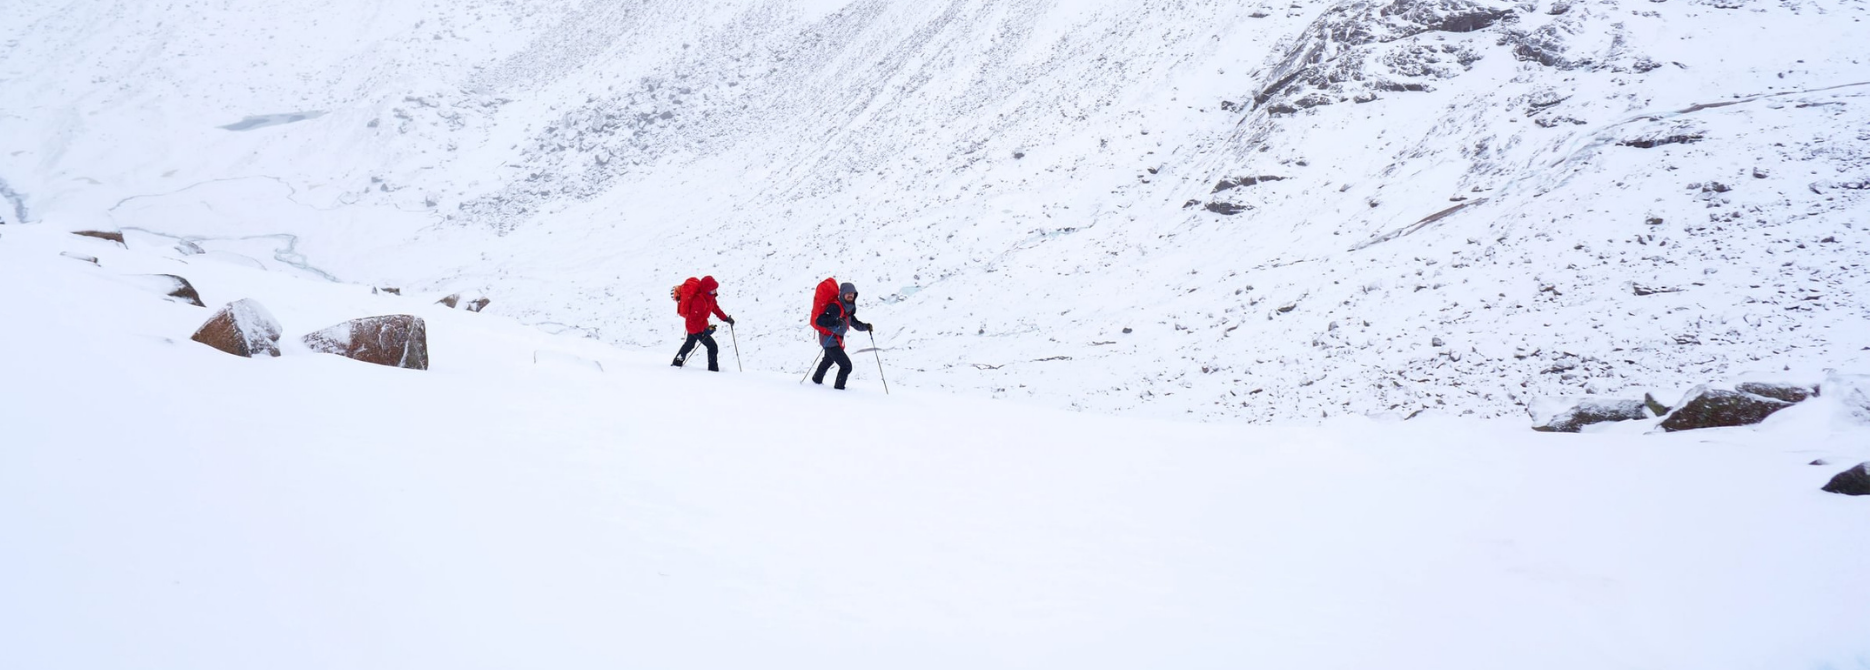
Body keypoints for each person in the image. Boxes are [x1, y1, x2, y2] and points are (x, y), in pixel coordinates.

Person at [811, 281, 872, 389]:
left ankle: (816, 380)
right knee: (846, 366)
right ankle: (839, 390)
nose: (850, 295)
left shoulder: (849, 308)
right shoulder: (835, 307)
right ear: (842, 294)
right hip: (829, 340)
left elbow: (853, 322)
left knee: (828, 360)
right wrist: (835, 322)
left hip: (834, 340)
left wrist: (866, 327)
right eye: (848, 293)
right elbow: (820, 320)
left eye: (852, 293)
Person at [673, 276, 734, 371]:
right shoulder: (699, 301)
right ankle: (713, 370)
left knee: (689, 344)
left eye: (715, 289)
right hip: (694, 327)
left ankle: (677, 362)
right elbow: (693, 319)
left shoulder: (711, 298)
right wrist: (705, 330)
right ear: (706, 290)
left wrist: (726, 319)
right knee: (712, 346)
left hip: (699, 325)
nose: (714, 291)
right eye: (712, 290)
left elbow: (716, 309)